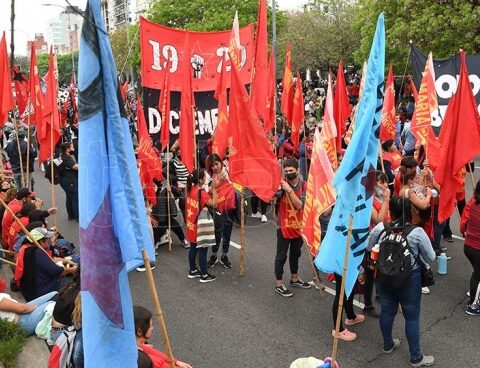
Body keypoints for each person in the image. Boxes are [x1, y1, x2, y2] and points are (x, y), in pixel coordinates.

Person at [367, 197, 436, 367]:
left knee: (387, 311)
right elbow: (431, 257)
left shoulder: (381, 228)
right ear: (410, 211)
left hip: (383, 276)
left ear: (390, 211)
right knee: (411, 317)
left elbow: (369, 248)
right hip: (408, 279)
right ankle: (415, 357)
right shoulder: (416, 232)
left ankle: (388, 344)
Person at [274, 157, 311, 297]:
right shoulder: (281, 185)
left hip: (299, 226)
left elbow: (300, 205)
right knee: (281, 255)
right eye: (286, 171)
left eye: (291, 170)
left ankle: (294, 278)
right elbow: (273, 197)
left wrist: (289, 190)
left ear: (298, 170)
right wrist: (278, 190)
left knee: (296, 253)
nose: (289, 173)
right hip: (283, 226)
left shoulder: (304, 185)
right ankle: (279, 283)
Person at [15, 227, 77, 301]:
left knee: (72, 259)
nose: (48, 241)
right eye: (47, 239)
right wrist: (72, 270)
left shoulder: (25, 248)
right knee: (73, 282)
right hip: (40, 293)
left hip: (29, 291)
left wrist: (66, 261)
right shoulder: (38, 252)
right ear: (41, 241)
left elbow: (51, 259)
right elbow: (57, 271)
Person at [186, 169, 218, 283]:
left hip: (191, 224)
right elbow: (214, 203)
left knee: (193, 247)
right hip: (199, 225)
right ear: (200, 180)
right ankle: (204, 275)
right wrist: (214, 189)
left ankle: (193, 270)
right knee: (203, 249)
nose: (206, 178)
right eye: (204, 177)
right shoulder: (201, 193)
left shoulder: (190, 189)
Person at [206, 154, 235, 269]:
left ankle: (224, 255)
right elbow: (207, 192)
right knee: (216, 233)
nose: (215, 168)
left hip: (228, 208)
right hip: (216, 209)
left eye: (217, 164)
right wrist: (218, 183)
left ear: (221, 163)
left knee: (227, 232)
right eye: (212, 166)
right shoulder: (208, 176)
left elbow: (237, 184)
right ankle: (213, 255)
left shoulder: (227, 171)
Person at [460, 180, 480, 315]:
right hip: (477, 248)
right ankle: (473, 305)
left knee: (477, 273)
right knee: (478, 275)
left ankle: (474, 293)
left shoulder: (473, 202)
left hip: (468, 246)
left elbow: (464, 221)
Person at [59, 142, 79, 221]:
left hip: (66, 180)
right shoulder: (66, 158)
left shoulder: (63, 156)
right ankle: (78, 216)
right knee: (75, 198)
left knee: (70, 197)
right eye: (72, 147)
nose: (73, 149)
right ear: (68, 149)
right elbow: (75, 167)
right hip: (70, 181)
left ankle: (71, 215)